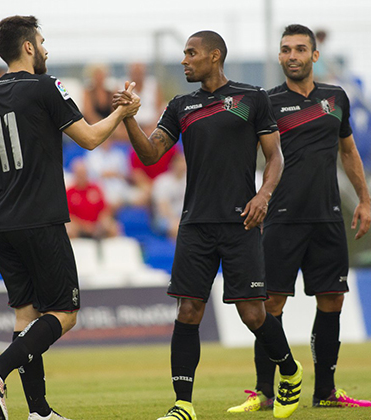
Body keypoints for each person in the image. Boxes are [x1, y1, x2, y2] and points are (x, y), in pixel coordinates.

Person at [0, 15, 139, 420]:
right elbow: (89, 139)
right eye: (42, 41)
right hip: (42, 220)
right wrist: (122, 115)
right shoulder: (47, 86)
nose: (47, 49)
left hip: (2, 224)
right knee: (65, 313)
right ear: (29, 47)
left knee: (26, 315)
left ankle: (39, 411)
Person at [114, 30, 303, 420]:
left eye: (191, 53)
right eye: (184, 54)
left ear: (214, 57)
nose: (185, 60)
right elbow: (151, 155)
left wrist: (263, 195)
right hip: (195, 224)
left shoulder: (253, 98)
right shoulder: (181, 105)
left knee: (253, 314)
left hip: (241, 223)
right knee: (188, 313)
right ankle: (183, 404)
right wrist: (130, 119)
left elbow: (276, 157)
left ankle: (290, 371)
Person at [226, 24, 371, 413]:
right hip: (282, 219)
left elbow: (349, 151)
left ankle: (326, 392)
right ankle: (263, 392)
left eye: (300, 49)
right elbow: (238, 149)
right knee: (269, 304)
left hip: (328, 218)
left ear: (314, 55)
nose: (293, 56)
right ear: (279, 56)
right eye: (286, 50)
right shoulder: (265, 101)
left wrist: (365, 199)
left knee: (333, 299)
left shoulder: (336, 98)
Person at [65, 158, 119, 239]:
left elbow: (104, 209)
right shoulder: (70, 192)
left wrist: (99, 223)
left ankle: (110, 250)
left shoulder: (95, 188)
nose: (81, 176)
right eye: (79, 174)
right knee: (69, 230)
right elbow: (68, 215)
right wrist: (84, 226)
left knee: (113, 227)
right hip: (78, 227)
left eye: (83, 173)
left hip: (97, 225)